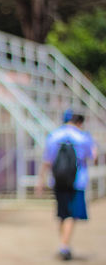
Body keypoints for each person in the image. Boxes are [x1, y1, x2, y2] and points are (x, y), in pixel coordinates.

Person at [36, 110, 97, 261]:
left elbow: (47, 161)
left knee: (63, 214)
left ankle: (64, 243)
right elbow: (93, 156)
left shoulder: (54, 135)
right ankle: (64, 246)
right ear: (78, 121)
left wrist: (40, 180)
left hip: (58, 180)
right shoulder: (83, 136)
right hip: (78, 181)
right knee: (71, 214)